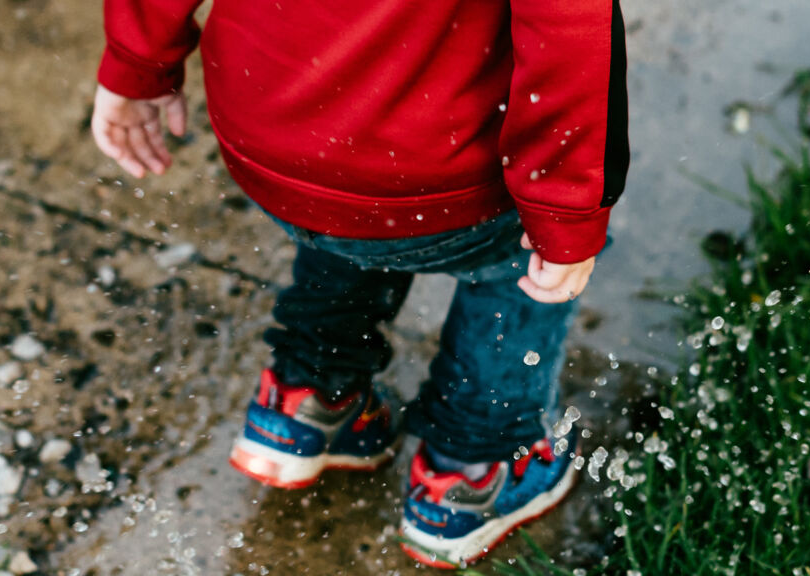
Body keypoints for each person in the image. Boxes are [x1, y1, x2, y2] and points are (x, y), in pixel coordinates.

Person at [91, 0, 629, 567]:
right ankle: (473, 469)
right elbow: (569, 27)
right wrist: (564, 210)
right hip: (433, 160)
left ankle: (309, 395)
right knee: (514, 262)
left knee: (346, 199)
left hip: (270, 130)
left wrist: (137, 62)